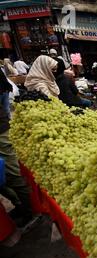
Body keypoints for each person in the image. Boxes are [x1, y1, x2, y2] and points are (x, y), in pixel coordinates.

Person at [0, 70, 40, 233]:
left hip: (1, 132)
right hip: (4, 128)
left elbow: (5, 104)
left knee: (12, 173)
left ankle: (29, 211)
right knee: (5, 178)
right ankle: (20, 205)